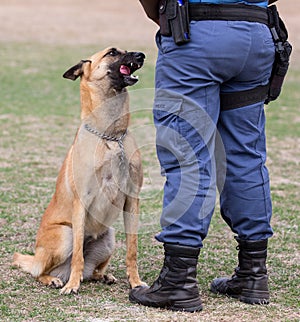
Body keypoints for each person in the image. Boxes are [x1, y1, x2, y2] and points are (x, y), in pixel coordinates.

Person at [129, 0, 282, 312]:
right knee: (246, 156)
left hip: (195, 33)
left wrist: (161, 16)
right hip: (256, 34)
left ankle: (178, 281)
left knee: (187, 157)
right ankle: (253, 274)